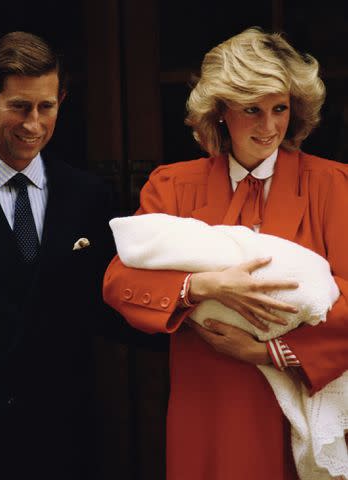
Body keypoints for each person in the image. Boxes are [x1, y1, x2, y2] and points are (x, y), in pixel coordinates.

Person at [103, 27, 348, 479]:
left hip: (298, 399)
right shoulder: (172, 185)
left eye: (279, 108)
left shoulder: (334, 185)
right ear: (219, 113)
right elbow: (120, 282)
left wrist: (270, 351)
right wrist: (203, 286)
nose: (269, 126)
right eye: (252, 110)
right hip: (207, 402)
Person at [0, 31, 112, 480]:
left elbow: (108, 307)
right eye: (19, 107)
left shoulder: (88, 196)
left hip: (63, 439)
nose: (33, 123)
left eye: (46, 107)